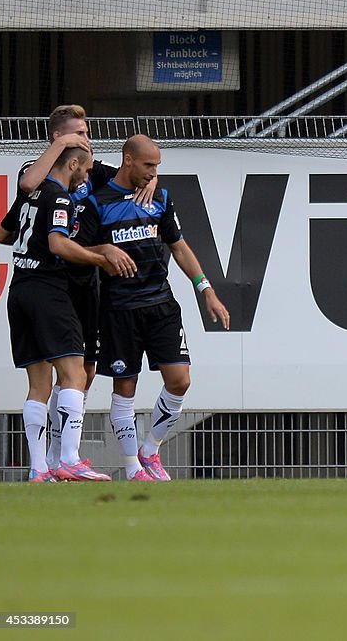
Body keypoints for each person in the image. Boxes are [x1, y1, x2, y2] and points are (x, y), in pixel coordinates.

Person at [78, 135, 230, 481]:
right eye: (149, 165)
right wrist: (104, 249)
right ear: (127, 160)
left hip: (160, 303)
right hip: (118, 308)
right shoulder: (96, 203)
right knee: (125, 388)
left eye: (157, 166)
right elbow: (79, 252)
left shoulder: (159, 197)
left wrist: (205, 289)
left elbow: (178, 247)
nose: (154, 172)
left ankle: (151, 448)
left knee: (180, 380)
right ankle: (133, 467)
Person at [18, 104, 156, 474]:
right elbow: (28, 186)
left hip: (85, 288)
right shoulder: (41, 174)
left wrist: (153, 179)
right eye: (80, 133)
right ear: (59, 138)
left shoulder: (92, 173)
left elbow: (134, 175)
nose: (88, 140)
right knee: (62, 372)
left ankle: (50, 460)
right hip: (55, 283)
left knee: (84, 373)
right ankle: (64, 460)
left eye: (88, 133)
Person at [0, 145, 130, 482]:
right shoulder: (59, 197)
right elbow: (57, 244)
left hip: (20, 289)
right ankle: (69, 458)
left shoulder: (31, 194)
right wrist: (100, 258)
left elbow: (1, 234)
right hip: (48, 292)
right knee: (75, 375)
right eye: (83, 170)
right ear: (72, 163)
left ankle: (38, 468)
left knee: (38, 385)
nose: (85, 177)